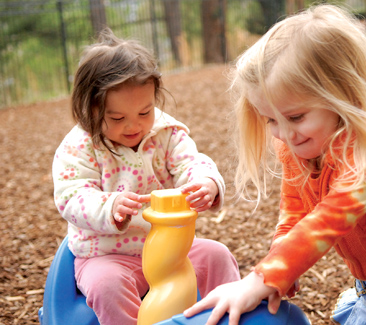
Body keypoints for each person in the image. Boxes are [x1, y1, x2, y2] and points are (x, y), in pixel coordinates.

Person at [183, 4, 366, 325]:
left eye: (295, 117)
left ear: (342, 94)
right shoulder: (299, 145)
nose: (284, 134)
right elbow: (294, 212)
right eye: (270, 120)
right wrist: (281, 263)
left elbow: (333, 214)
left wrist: (262, 277)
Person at [52, 28, 240, 325]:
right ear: (90, 108)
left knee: (217, 255)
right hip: (107, 254)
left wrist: (206, 183)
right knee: (107, 286)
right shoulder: (80, 147)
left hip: (172, 250)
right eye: (117, 118)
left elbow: (190, 162)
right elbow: (72, 196)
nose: (134, 126)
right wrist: (109, 206)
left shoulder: (165, 133)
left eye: (145, 112)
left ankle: (228, 318)